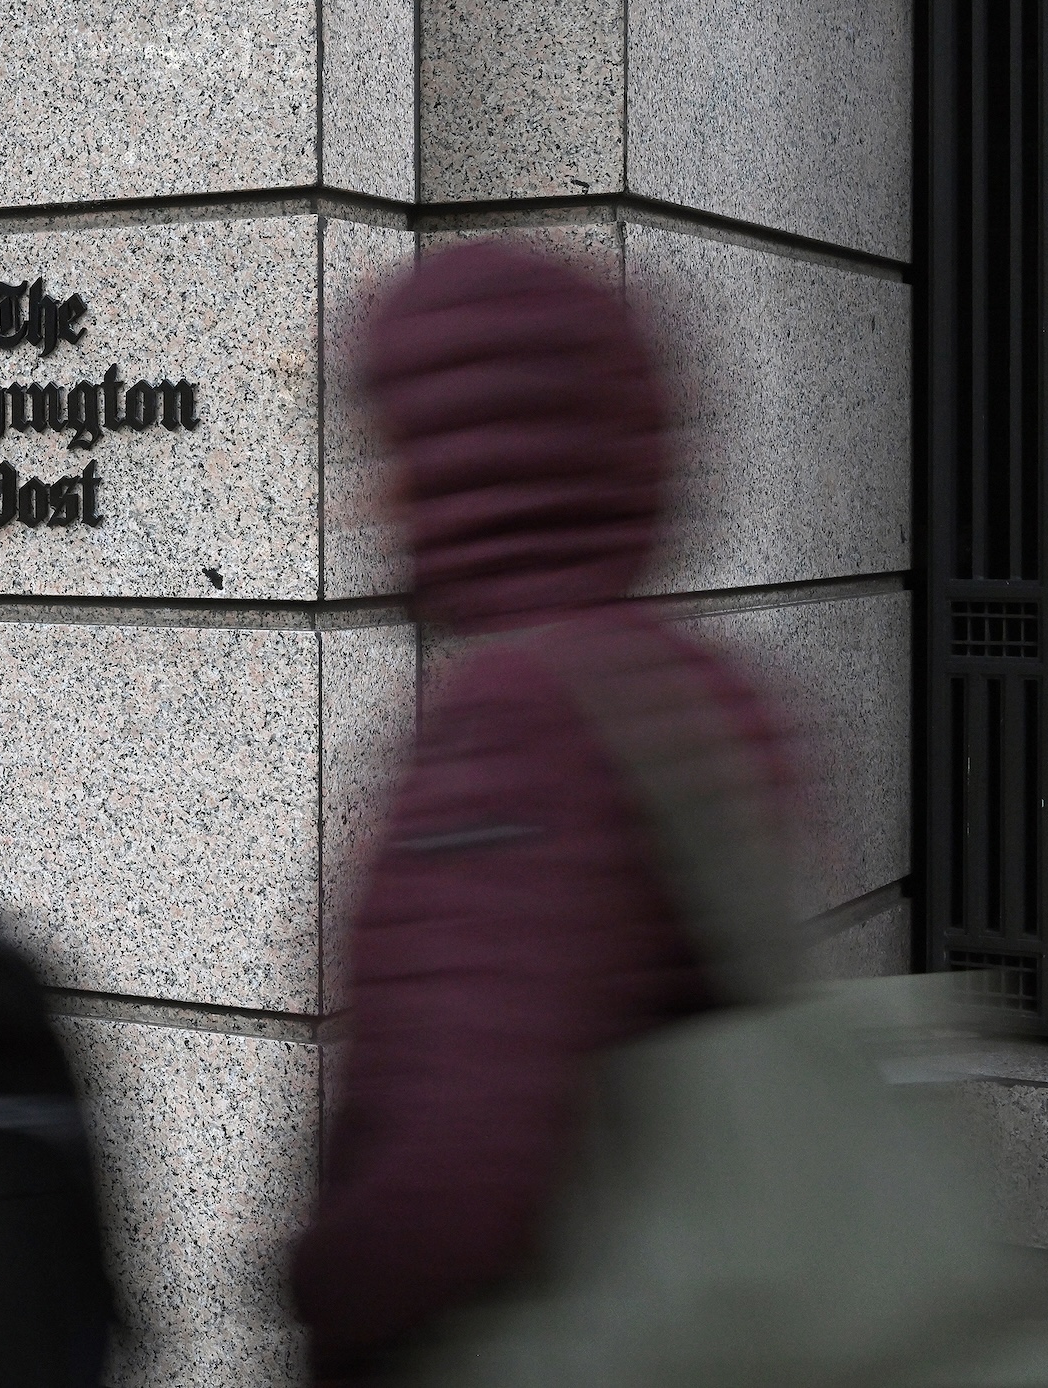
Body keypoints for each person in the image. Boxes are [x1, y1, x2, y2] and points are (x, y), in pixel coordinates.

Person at [291, 242, 801, 1382]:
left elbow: (461, 1166)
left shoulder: (515, 722)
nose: (366, 493)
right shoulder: (700, 682)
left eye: (391, 449)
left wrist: (315, 1280)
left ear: (473, 466)